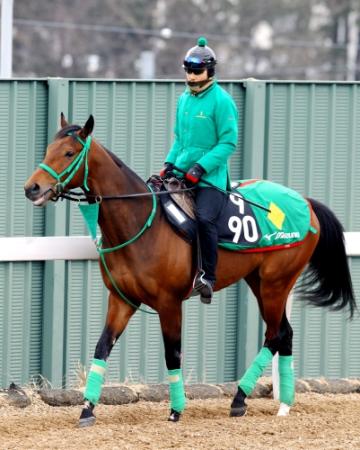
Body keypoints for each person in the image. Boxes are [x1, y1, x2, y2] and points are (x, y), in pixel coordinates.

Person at [160, 36, 238, 304]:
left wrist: (201, 167)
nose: (191, 77)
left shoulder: (222, 101)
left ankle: (208, 277)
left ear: (210, 71)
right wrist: (169, 164)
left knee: (204, 219)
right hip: (182, 174)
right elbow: (180, 139)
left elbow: (228, 142)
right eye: (188, 72)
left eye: (197, 72)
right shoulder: (184, 99)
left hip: (210, 180)